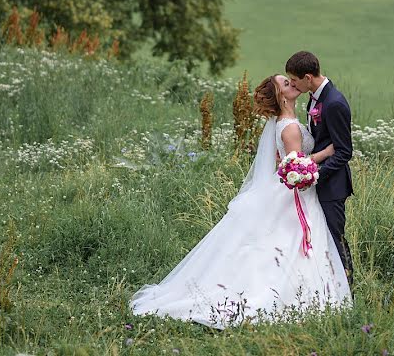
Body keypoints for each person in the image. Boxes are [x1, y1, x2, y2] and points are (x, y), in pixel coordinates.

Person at [129, 74, 351, 329]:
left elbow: (288, 161)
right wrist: (326, 152)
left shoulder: (286, 121)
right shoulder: (288, 125)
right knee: (288, 245)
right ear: (280, 96)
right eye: (286, 84)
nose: (293, 84)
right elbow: (297, 165)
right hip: (295, 195)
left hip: (289, 191)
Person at [285, 51, 355, 286]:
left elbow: (344, 151)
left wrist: (313, 174)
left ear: (307, 77)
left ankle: (348, 289)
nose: (292, 85)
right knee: (322, 239)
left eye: (294, 80)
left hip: (332, 185)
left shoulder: (334, 103)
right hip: (318, 181)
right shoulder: (315, 98)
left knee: (335, 240)